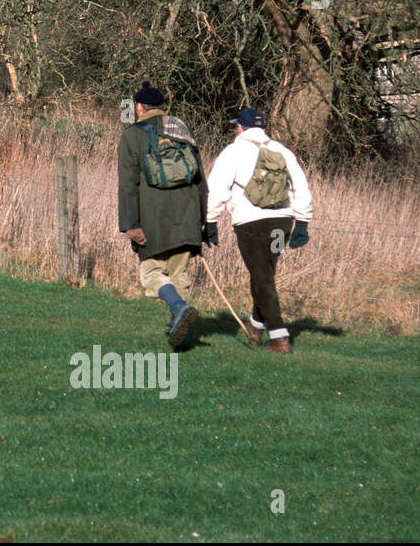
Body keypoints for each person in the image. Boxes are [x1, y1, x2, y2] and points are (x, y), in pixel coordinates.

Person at [204, 107, 314, 353]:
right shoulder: (282, 151)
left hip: (251, 225)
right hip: (281, 225)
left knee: (262, 276)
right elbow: (301, 186)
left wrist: (210, 222)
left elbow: (217, 189)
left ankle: (278, 336)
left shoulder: (232, 152)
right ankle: (255, 325)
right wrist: (302, 222)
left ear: (240, 127)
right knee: (266, 274)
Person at [118, 82, 208, 347]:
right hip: (188, 217)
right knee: (178, 274)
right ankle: (178, 334)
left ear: (139, 107)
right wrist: (204, 222)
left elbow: (127, 185)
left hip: (153, 219)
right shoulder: (182, 129)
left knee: (152, 273)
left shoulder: (132, 135)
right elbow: (200, 179)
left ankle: (179, 308)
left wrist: (130, 225)